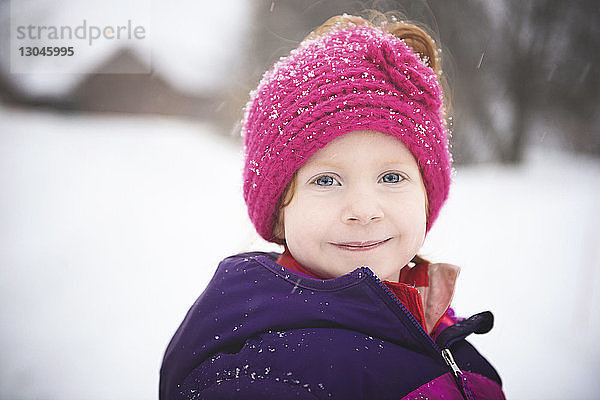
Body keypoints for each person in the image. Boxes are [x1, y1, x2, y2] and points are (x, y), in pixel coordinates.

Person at [160, 13, 505, 400]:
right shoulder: (260, 373)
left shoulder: (434, 324)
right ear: (278, 214)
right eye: (326, 180)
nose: (363, 210)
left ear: (427, 195)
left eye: (391, 177)